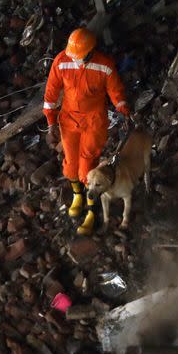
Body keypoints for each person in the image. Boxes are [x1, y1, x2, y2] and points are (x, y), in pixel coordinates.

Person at [43, 28, 130, 235]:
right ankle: (77, 196)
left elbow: (115, 91)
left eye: (79, 57)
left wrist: (124, 109)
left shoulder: (105, 66)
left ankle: (91, 211)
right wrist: (51, 123)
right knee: (71, 163)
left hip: (94, 121)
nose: (75, 60)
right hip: (69, 119)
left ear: (91, 52)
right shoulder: (61, 61)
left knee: (87, 166)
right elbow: (51, 92)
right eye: (72, 56)